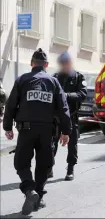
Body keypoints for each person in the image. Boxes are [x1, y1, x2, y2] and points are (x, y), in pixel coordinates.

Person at [3, 48, 71, 215]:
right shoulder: (53, 82)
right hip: (47, 131)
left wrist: (7, 127)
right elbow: (63, 108)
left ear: (32, 64)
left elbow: (11, 105)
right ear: (46, 65)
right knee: (44, 164)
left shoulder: (22, 80)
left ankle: (29, 191)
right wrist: (66, 131)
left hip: (26, 130)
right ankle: (38, 197)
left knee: (21, 163)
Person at [50, 51, 87, 181]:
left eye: (66, 63)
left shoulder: (78, 77)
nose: (64, 65)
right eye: (62, 63)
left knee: (72, 145)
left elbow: (82, 94)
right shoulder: (55, 77)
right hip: (56, 117)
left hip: (71, 116)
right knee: (51, 143)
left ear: (70, 63)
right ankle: (50, 167)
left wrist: (65, 96)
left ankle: (70, 168)